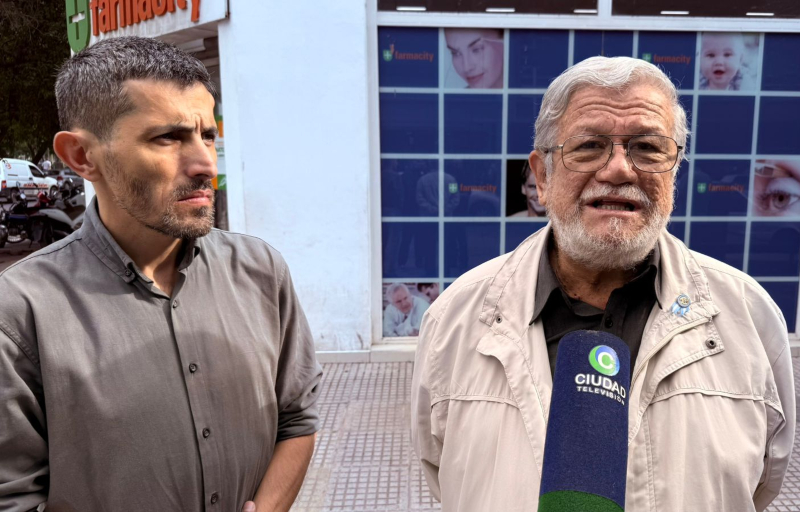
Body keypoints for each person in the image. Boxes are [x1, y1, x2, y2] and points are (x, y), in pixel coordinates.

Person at [412, 56, 795, 511]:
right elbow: (443, 472)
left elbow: (760, 485)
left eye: (648, 148)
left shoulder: (749, 317)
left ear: (673, 171)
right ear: (542, 176)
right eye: (589, 146)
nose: (618, 170)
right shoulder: (455, 319)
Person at [0, 36, 323, 512]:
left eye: (208, 135)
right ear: (82, 156)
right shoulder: (19, 312)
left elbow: (297, 419)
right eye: (168, 138)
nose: (206, 164)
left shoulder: (261, 272)